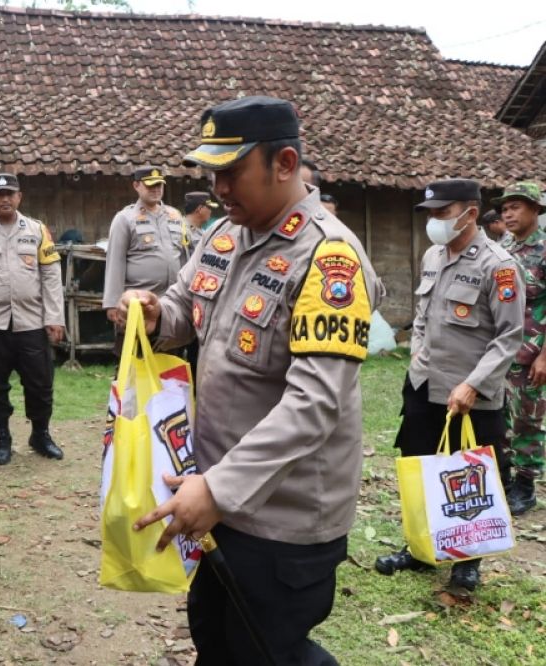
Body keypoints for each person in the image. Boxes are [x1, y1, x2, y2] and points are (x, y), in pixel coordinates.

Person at [124, 96, 382, 664]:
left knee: (268, 652)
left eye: (233, 172)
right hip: (215, 498)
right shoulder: (224, 235)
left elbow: (315, 404)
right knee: (215, 639)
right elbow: (182, 307)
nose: (219, 187)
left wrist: (216, 490)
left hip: (281, 518)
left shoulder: (328, 257)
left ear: (284, 163)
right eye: (213, 173)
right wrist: (151, 313)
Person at [374, 178, 524, 591]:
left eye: (442, 212)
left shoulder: (499, 265)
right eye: (431, 214)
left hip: (471, 393)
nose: (435, 221)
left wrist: (474, 384)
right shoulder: (433, 256)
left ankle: (467, 560)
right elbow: (422, 316)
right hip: (425, 384)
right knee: (420, 464)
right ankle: (420, 546)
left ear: (470, 213)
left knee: (469, 476)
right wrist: (417, 356)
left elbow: (509, 336)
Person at [0, 173, 66, 465]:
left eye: (10, 194)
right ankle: (2, 437)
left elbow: (51, 275)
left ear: (19, 197)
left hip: (32, 321)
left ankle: (40, 434)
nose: (5, 199)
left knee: (40, 384)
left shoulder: (37, 230)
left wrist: (55, 317)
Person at [495, 181, 546, 515]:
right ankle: (505, 480)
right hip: (501, 349)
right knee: (500, 418)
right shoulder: (503, 247)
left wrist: (545, 355)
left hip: (533, 351)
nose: (508, 213)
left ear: (536, 210)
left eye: (516, 206)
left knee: (528, 419)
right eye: (504, 208)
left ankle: (525, 487)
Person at [102, 166, 188, 330]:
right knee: (136, 350)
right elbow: (115, 261)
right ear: (136, 186)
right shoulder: (125, 218)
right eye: (150, 185)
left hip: (171, 302)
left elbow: (184, 256)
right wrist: (112, 303)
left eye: (159, 185)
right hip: (137, 302)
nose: (156, 190)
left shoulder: (175, 216)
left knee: (170, 350)